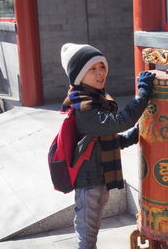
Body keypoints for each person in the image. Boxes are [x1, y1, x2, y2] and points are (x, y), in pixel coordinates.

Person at [60, 43, 155, 249]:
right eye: (92, 69)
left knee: (89, 229)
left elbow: (103, 141)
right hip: (89, 181)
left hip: (98, 176)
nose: (100, 73)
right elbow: (120, 122)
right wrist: (143, 95)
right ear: (78, 76)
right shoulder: (83, 106)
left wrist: (131, 137)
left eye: (102, 67)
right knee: (87, 235)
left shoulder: (99, 99)